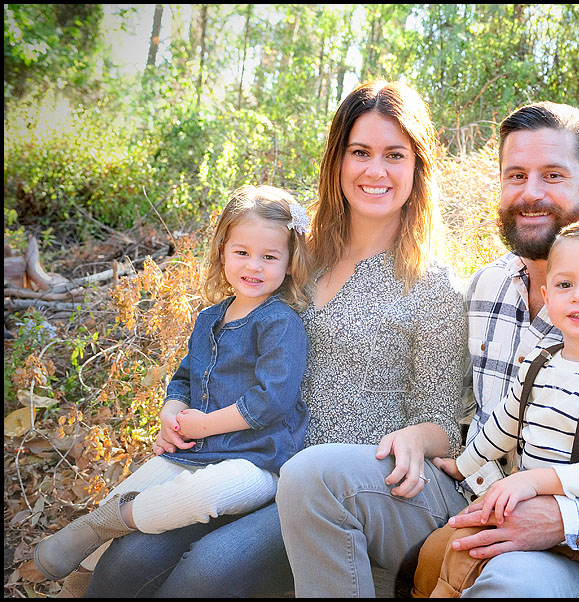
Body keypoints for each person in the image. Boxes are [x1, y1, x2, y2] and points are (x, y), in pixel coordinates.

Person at [274, 100, 579, 598]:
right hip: (466, 500)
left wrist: (561, 517)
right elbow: (460, 412)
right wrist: (432, 443)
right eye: (516, 176)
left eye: (552, 175)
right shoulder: (489, 287)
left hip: (572, 547)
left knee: (510, 582)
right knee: (310, 476)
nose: (531, 194)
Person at [80, 80, 468, 598]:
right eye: (360, 152)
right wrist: (176, 407)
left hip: (332, 488)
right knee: (129, 559)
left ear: (417, 167)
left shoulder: (433, 286)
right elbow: (225, 345)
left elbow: (444, 424)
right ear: (337, 161)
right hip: (251, 458)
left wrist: (418, 439)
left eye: (394, 155)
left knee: (207, 572)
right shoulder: (293, 258)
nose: (375, 170)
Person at [34, 185, 313, 592]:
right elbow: (184, 377)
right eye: (242, 252)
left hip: (258, 462)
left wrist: (204, 426)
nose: (254, 266)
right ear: (222, 252)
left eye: (269, 256)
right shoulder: (208, 319)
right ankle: (84, 569)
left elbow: (272, 398)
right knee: (133, 485)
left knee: (202, 494)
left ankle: (111, 522)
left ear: (289, 263)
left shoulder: (279, 322)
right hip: (198, 452)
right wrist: (171, 410)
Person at [414, 221, 579, 597]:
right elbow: (505, 424)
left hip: (572, 530)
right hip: (519, 503)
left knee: (465, 557)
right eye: (565, 285)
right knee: (436, 549)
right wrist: (463, 465)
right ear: (547, 296)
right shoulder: (539, 363)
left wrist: (531, 482)